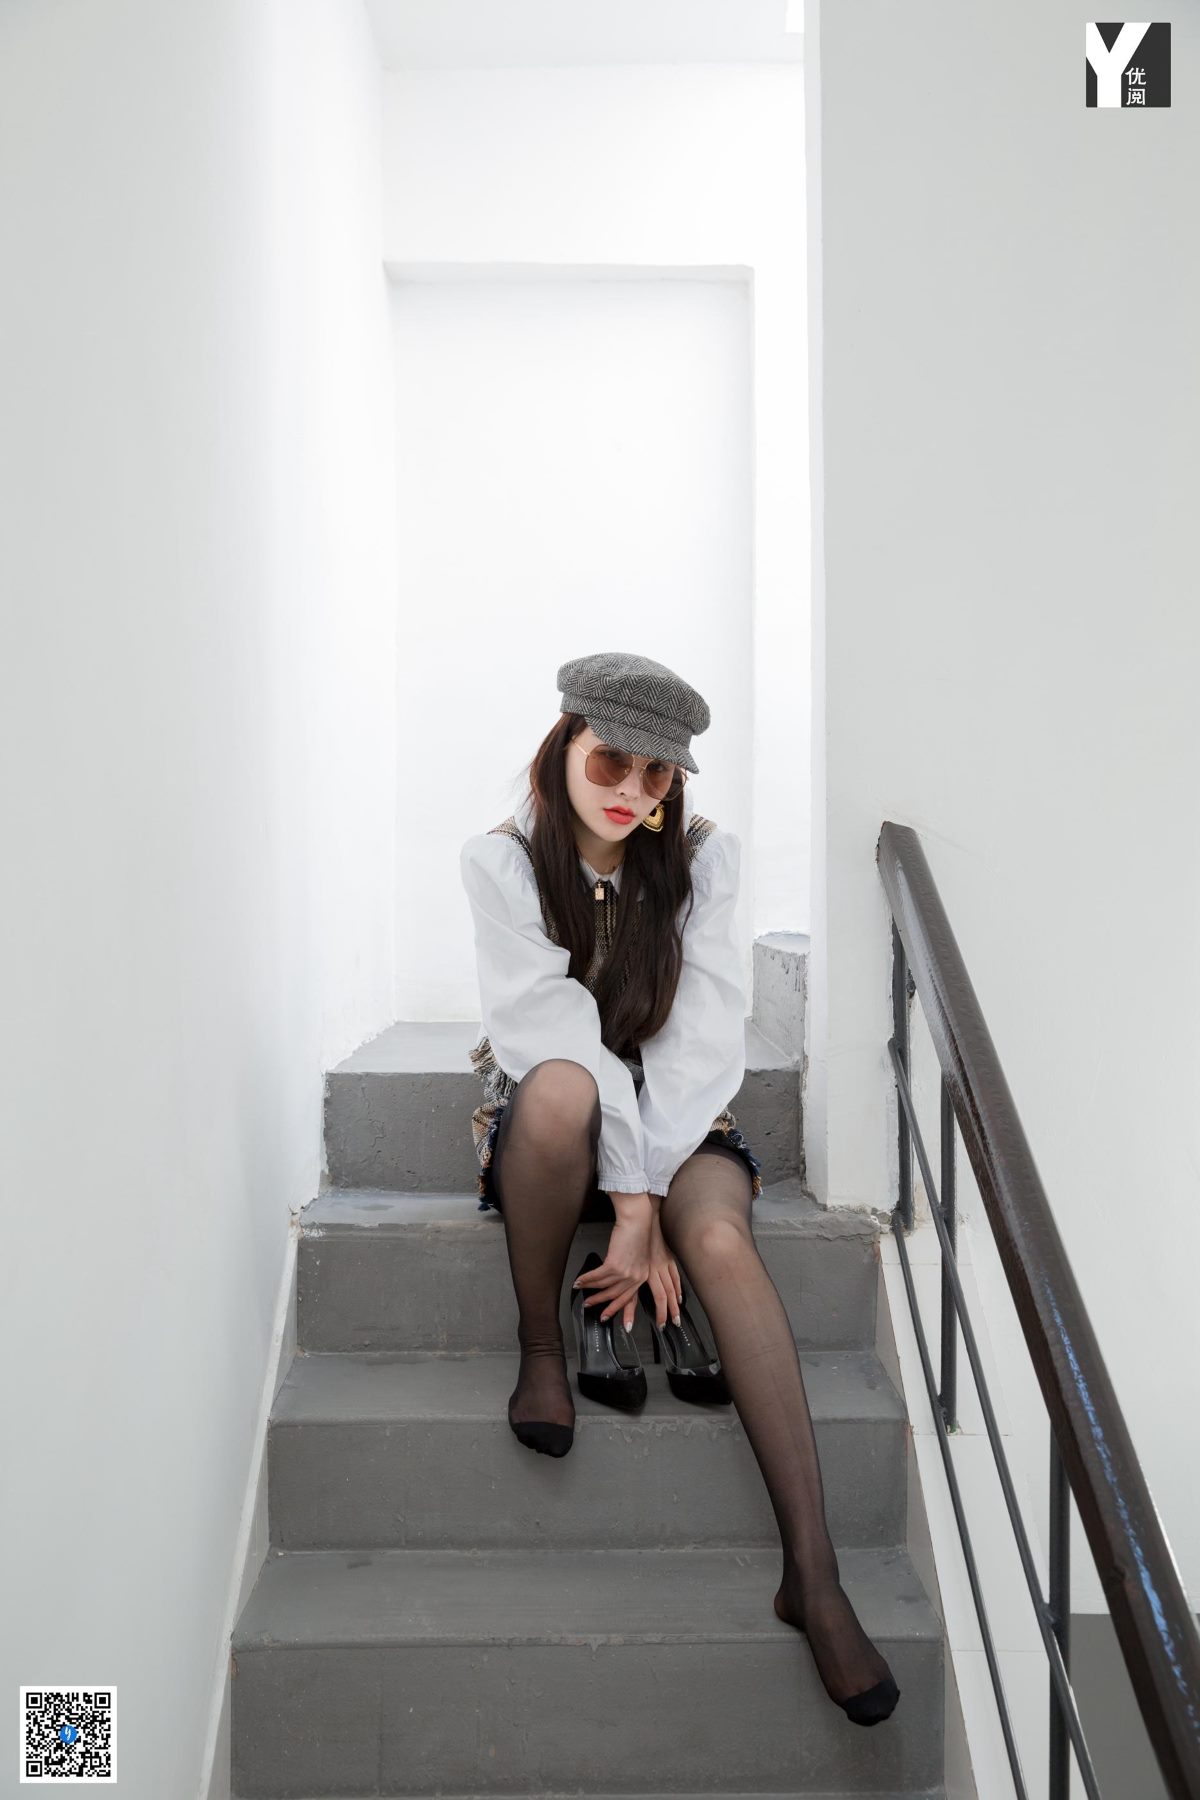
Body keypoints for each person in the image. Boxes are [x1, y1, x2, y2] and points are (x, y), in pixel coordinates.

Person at [458, 650, 900, 1729]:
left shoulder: (700, 861)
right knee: (564, 1089)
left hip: (679, 1113)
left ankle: (814, 1575)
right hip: (556, 1116)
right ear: (563, 744)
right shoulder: (504, 862)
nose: (631, 789)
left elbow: (702, 1035)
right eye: (611, 759)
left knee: (724, 1242)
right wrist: (628, 1199)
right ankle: (542, 1348)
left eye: (657, 773)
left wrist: (651, 1193)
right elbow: (550, 1029)